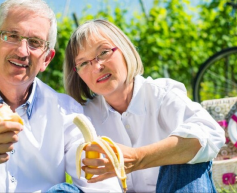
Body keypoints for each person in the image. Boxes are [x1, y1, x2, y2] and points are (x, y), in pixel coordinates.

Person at [0, 2, 122, 192]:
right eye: (12, 36)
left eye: (35, 42)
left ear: (47, 59)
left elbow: (103, 187)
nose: (22, 51)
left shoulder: (66, 112)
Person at [63, 19, 226, 193]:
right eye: (83, 63)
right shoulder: (84, 117)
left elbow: (211, 133)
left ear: (124, 50)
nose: (96, 66)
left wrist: (137, 158)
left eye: (103, 52)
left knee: (183, 162)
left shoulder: (162, 94)